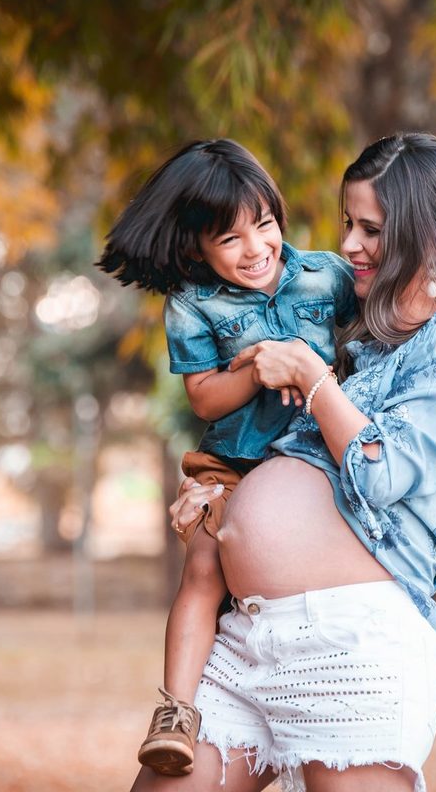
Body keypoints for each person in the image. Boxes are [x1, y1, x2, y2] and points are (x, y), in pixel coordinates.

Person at [131, 132, 436, 792]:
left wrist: (315, 380)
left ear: (429, 234)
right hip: (246, 634)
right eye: (348, 223)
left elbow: (384, 473)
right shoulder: (363, 342)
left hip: (347, 646)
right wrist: (220, 498)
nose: (347, 245)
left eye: (371, 229)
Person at [97, 139, 357, 776]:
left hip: (310, 463)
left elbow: (379, 326)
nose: (255, 249)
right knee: (205, 570)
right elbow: (206, 398)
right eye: (230, 239)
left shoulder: (328, 275)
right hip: (232, 466)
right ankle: (176, 714)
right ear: (196, 248)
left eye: (264, 225)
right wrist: (262, 369)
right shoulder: (193, 304)